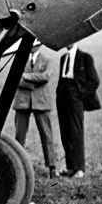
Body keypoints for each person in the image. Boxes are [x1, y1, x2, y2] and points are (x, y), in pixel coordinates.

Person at [14, 39, 60, 177]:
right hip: (22, 102)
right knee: (19, 135)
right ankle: (17, 168)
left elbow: (46, 77)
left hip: (41, 102)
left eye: (36, 44)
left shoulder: (47, 60)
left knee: (47, 135)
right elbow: (15, 78)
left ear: (40, 45)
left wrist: (26, 76)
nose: (34, 47)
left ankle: (52, 167)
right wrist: (33, 83)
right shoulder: (20, 59)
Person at [54, 43, 100, 178]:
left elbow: (94, 80)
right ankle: (70, 168)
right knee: (65, 132)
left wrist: (80, 94)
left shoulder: (85, 57)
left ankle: (79, 169)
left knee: (76, 131)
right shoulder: (63, 58)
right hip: (63, 94)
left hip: (75, 96)